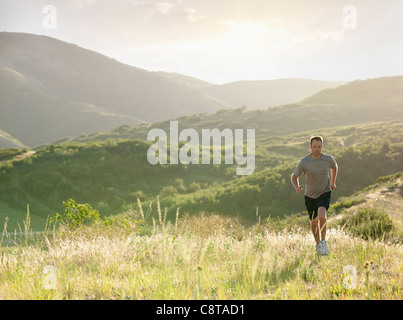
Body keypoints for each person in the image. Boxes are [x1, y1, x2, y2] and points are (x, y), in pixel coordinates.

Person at [291, 135, 338, 256]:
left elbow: (334, 167)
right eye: (314, 147)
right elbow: (294, 177)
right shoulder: (304, 162)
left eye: (319, 147)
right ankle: (317, 245)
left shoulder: (328, 159)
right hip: (310, 195)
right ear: (310, 147)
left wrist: (332, 182)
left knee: (322, 215)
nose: (317, 149)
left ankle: (323, 242)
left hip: (325, 192)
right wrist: (297, 187)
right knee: (314, 222)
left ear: (322, 146)